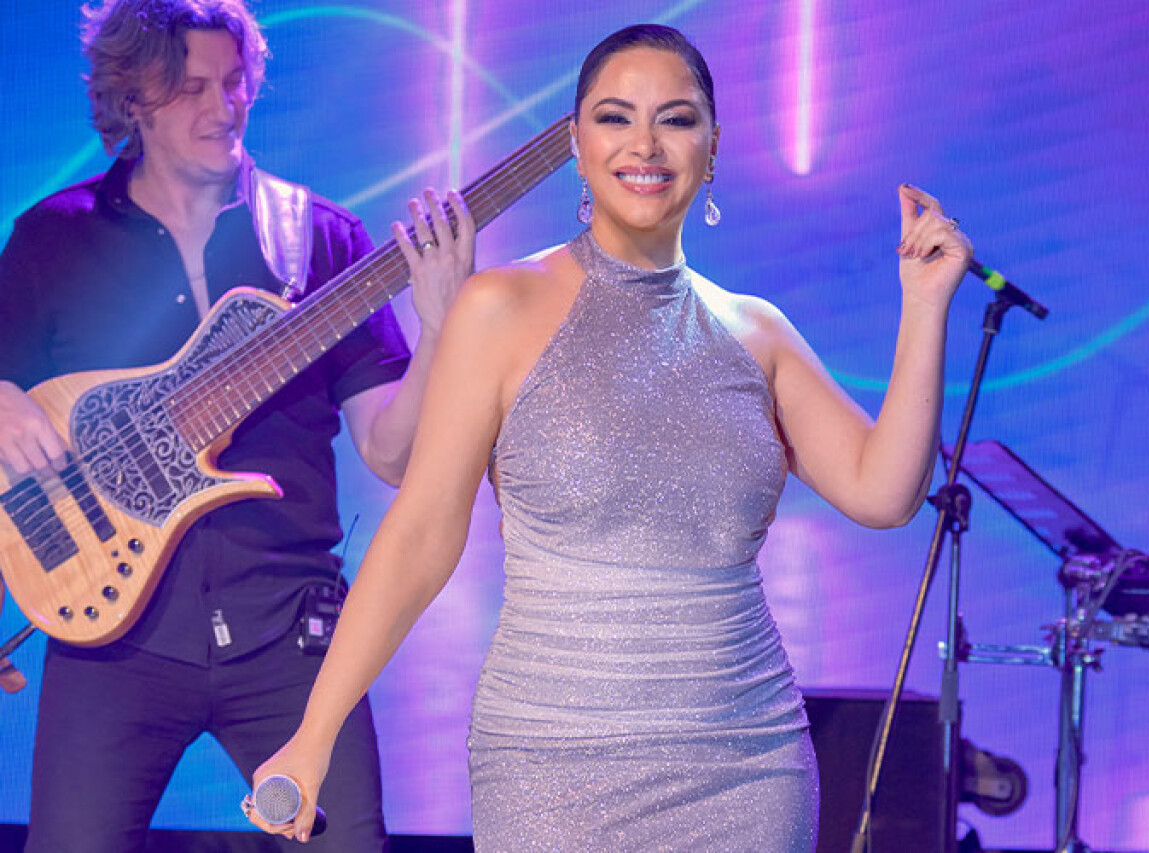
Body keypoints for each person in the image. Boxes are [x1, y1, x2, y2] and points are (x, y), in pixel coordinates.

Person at [249, 23, 972, 850]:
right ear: (575, 143)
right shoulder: (499, 309)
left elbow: (886, 492)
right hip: (550, 769)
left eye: (676, 118)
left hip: (747, 768)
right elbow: (419, 535)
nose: (645, 144)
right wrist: (314, 733)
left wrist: (925, 306)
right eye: (615, 117)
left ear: (713, 145)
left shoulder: (756, 332)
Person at [0, 1, 475, 850]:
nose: (223, 108)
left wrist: (439, 326)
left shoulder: (319, 238)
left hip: (290, 633)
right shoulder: (51, 240)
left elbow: (390, 451)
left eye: (234, 83)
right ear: (133, 100)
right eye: (191, 89)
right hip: (114, 639)